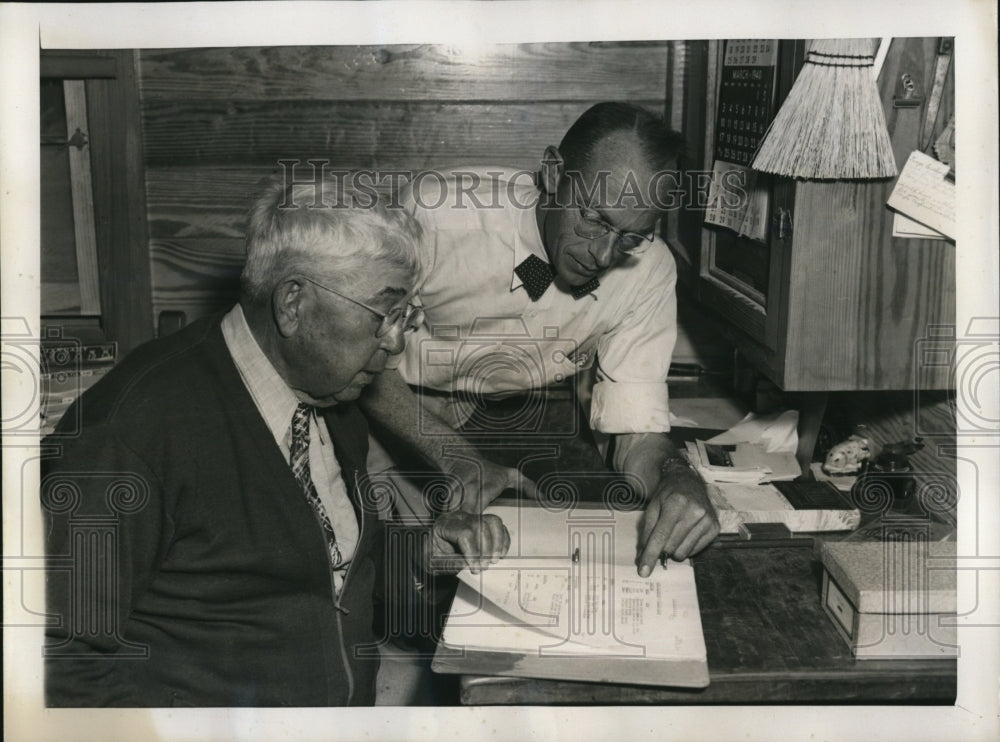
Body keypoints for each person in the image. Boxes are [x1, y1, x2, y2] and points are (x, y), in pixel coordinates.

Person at [41, 177, 509, 707]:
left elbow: (331, 568)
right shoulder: (130, 433)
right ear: (293, 303)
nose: (397, 345)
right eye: (384, 316)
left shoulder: (333, 396)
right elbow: (59, 669)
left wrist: (420, 559)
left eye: (407, 318)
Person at [360, 102, 720, 576]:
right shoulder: (439, 216)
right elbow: (360, 355)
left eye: (632, 237)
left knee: (577, 547)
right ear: (553, 173)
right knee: (384, 564)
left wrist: (679, 477)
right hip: (389, 396)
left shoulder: (649, 269)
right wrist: (456, 457)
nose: (604, 254)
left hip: (514, 401)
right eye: (594, 218)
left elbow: (636, 432)